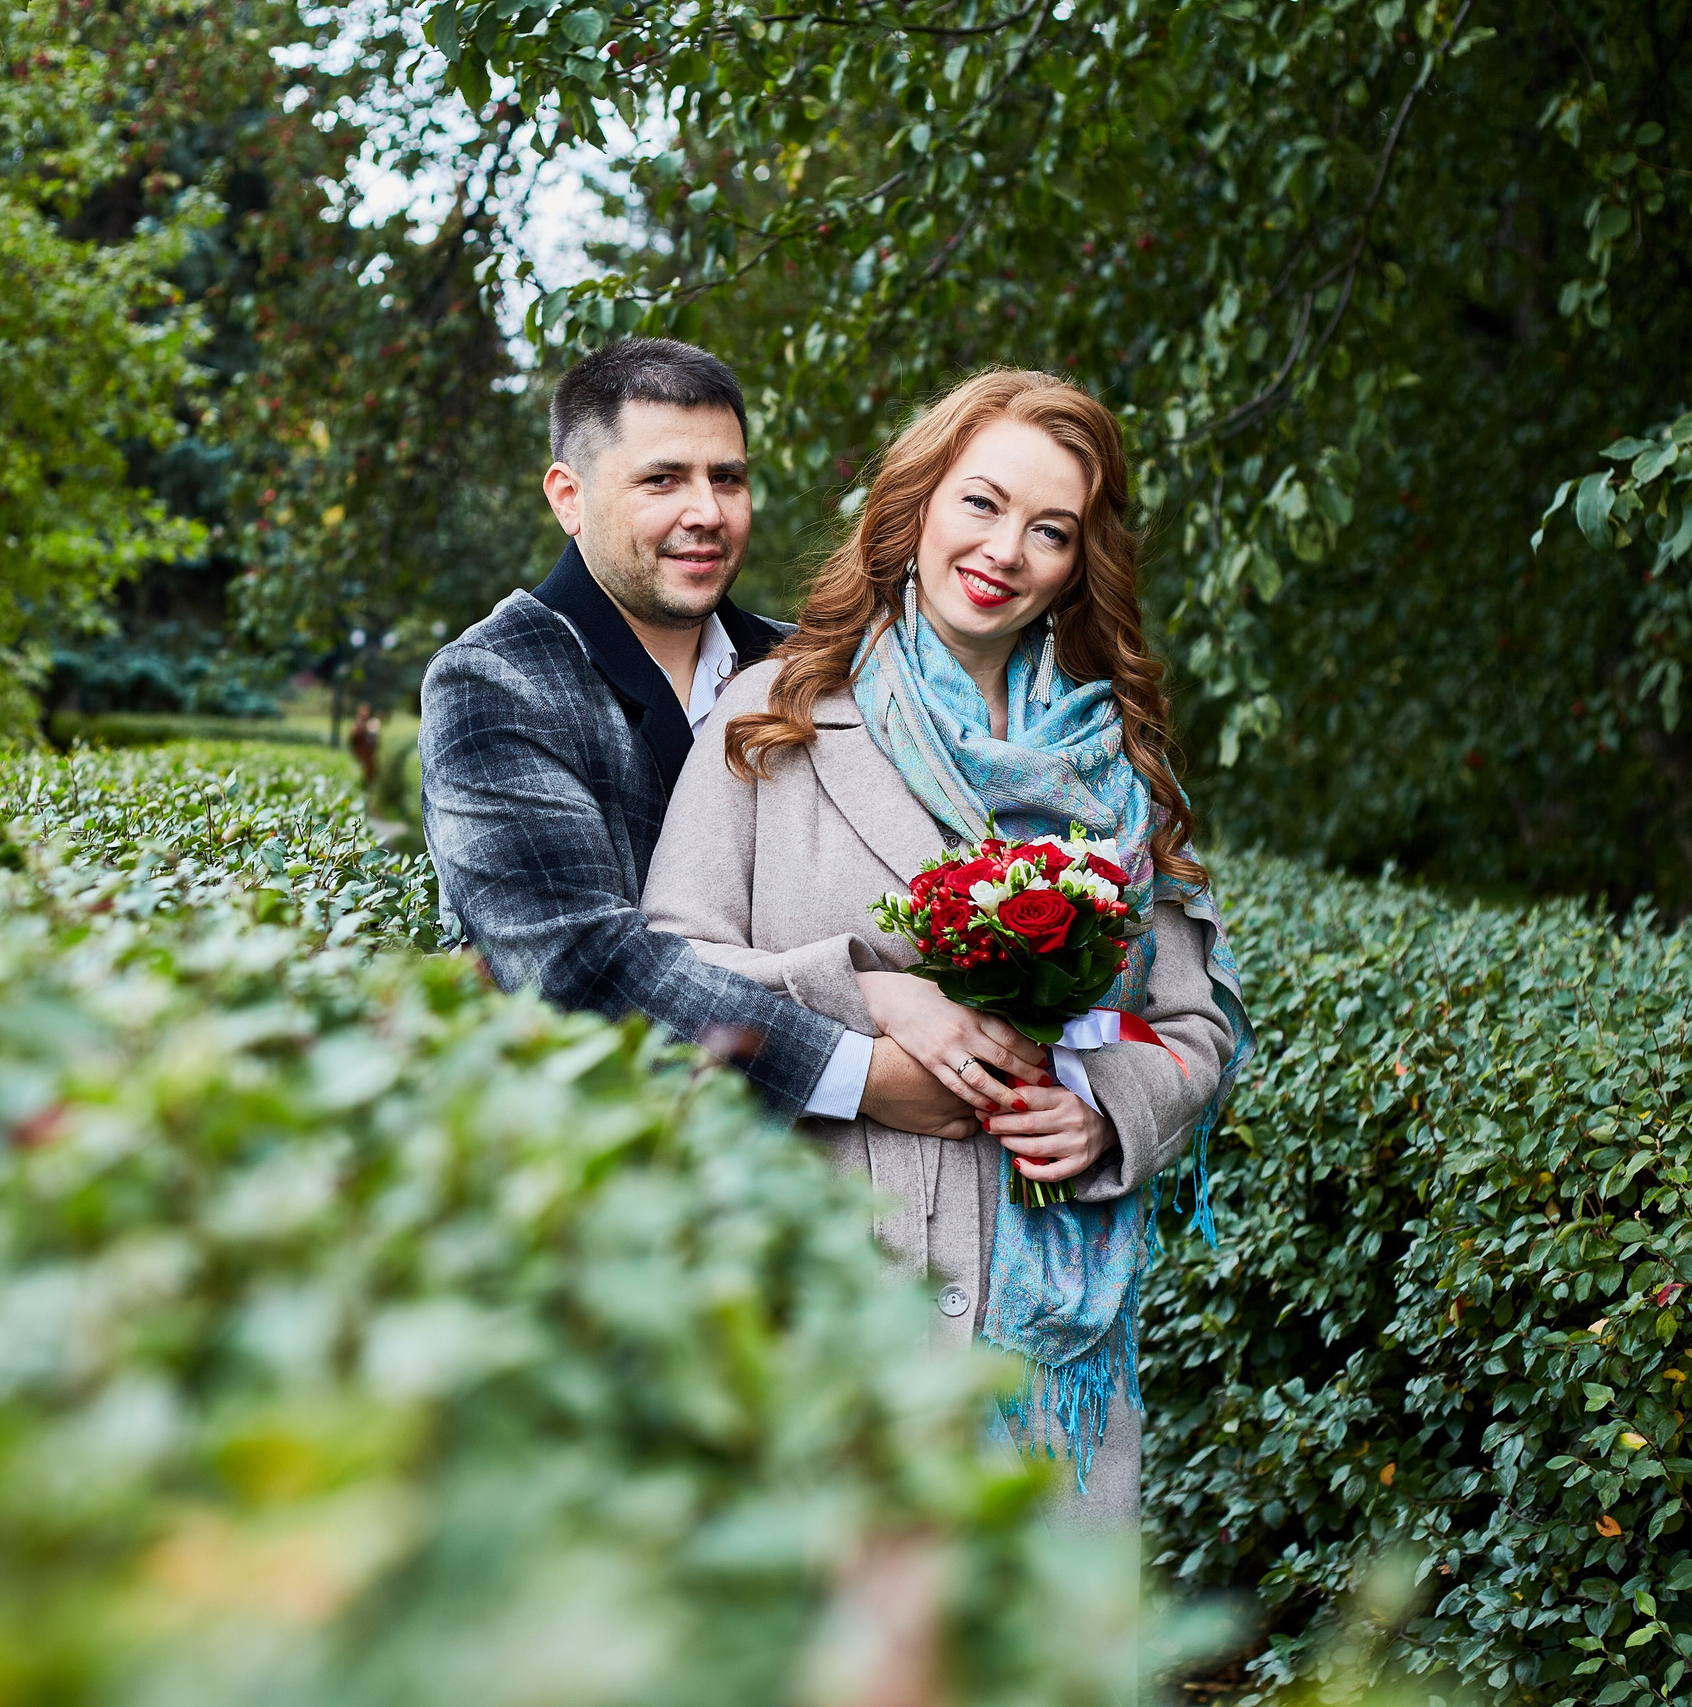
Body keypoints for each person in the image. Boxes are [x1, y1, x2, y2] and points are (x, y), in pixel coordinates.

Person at [639, 369, 1252, 1529]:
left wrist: (1105, 1113)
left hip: (1054, 1360)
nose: (1005, 551)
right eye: (981, 503)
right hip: (826, 1314)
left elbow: (1191, 1024)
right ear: (917, 502)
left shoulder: (1119, 763)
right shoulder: (772, 715)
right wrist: (871, 998)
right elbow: (667, 980)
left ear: (1078, 564)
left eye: (1050, 530)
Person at [420, 339, 1052, 1133]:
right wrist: (863, 1068)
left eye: (727, 478)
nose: (707, 513)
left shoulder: (807, 667)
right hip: (592, 1159)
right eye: (662, 480)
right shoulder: (496, 679)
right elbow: (578, 971)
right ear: (569, 497)